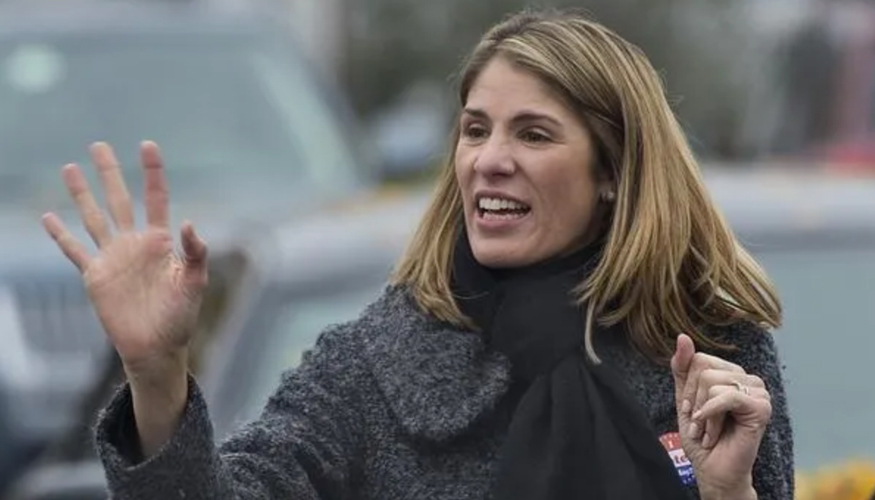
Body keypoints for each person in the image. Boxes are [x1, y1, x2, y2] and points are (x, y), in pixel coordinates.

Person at [41, 8, 794, 500]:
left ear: (611, 173)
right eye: (474, 130)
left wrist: (729, 494)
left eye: (532, 134)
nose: (488, 160)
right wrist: (156, 375)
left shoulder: (717, 355)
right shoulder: (378, 360)